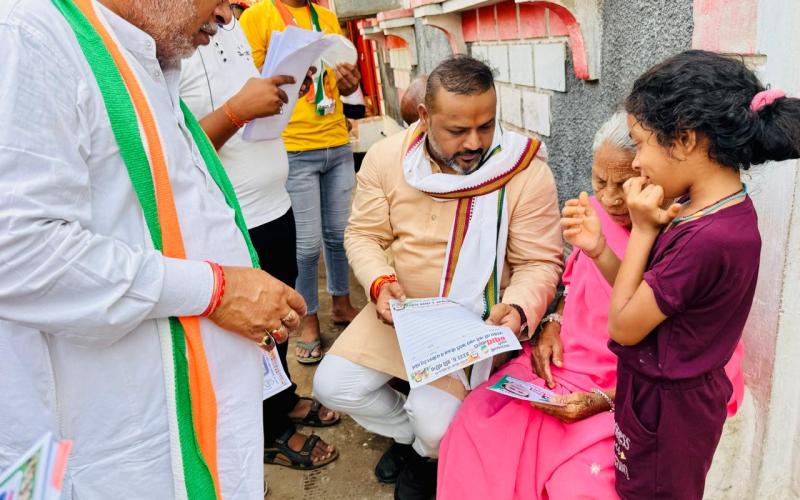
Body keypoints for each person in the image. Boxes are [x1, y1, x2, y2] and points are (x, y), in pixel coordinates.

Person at [0, 0, 307, 497]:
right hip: (108, 450)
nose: (229, 18)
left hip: (163, 427)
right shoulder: (27, 37)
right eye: (225, 1)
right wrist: (216, 290)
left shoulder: (140, 54)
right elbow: (17, 254)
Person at [437, 112, 745, 500]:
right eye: (600, 181)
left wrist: (602, 400)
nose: (612, 198)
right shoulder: (596, 216)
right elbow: (574, 284)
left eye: (626, 182)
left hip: (627, 388)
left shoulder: (682, 242)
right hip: (565, 367)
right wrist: (552, 321)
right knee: (477, 419)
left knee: (578, 485)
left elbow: (686, 359)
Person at [313, 55, 563, 499]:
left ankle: (429, 451)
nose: (475, 142)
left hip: (473, 325)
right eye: (457, 130)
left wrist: (521, 308)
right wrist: (377, 282)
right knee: (332, 387)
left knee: (435, 424)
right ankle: (414, 445)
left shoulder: (523, 169)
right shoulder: (388, 158)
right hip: (400, 313)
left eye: (486, 126)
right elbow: (364, 235)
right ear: (425, 117)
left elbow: (539, 263)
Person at [568, 50, 800, 499]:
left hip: (669, 413)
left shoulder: (707, 239)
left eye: (642, 142)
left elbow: (624, 325)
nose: (636, 164)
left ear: (687, 140)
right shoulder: (704, 211)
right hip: (662, 398)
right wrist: (599, 249)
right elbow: (643, 298)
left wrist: (641, 231)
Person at [179, 7, 339, 471]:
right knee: (253, 331)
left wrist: (285, 92)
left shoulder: (227, 30)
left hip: (275, 204)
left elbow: (253, 119)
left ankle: (284, 398)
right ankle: (268, 432)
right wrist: (236, 111)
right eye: (224, 5)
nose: (230, 14)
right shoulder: (174, 48)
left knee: (281, 318)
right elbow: (178, 154)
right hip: (236, 220)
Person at [240, 0, 363, 364]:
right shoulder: (257, 17)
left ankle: (342, 304)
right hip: (293, 148)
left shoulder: (325, 17)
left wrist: (348, 84)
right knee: (307, 246)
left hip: (336, 141)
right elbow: (250, 83)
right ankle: (307, 319)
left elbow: (339, 78)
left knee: (340, 235)